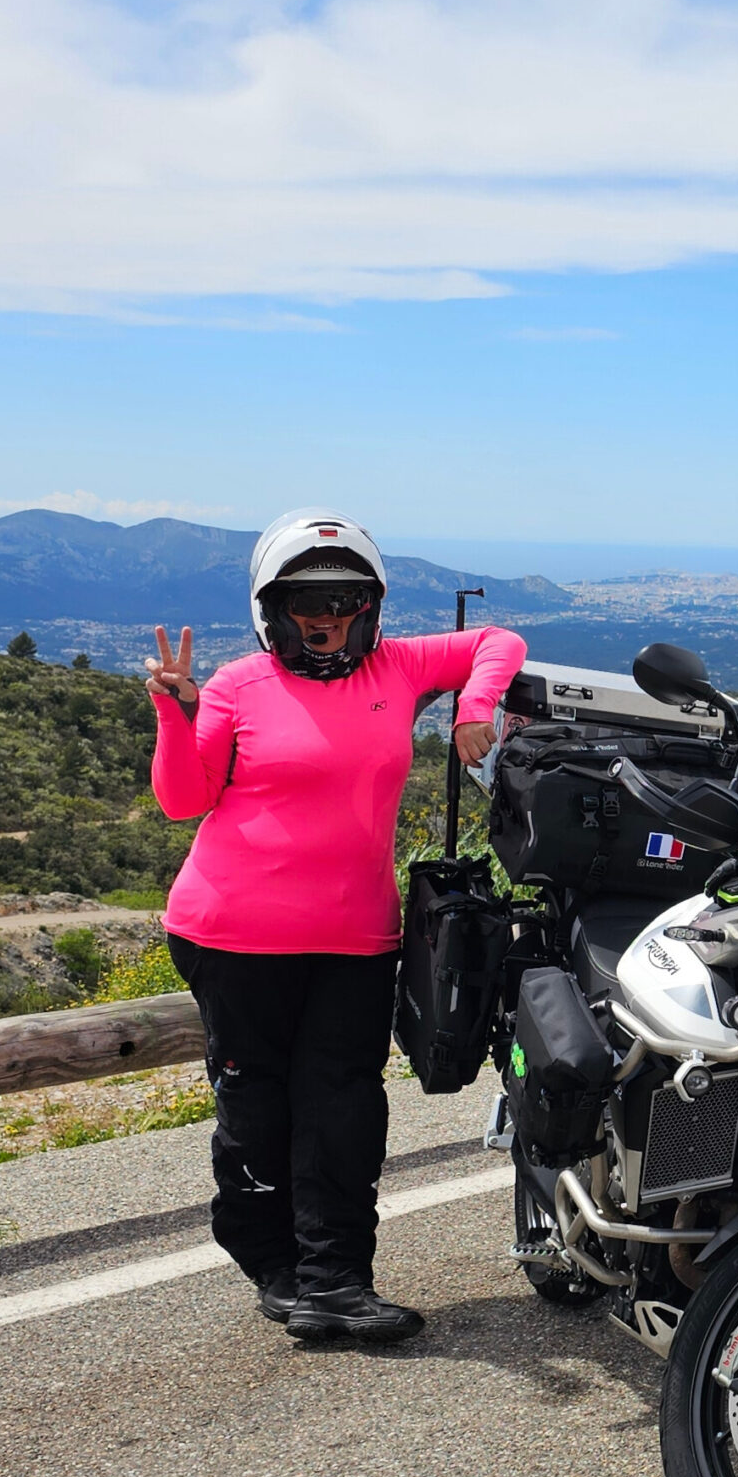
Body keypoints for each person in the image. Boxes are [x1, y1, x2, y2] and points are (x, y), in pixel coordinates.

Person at [146, 510, 524, 1343]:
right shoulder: (239, 686)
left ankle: (334, 1281)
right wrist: (178, 712)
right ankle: (274, 1265)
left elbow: (498, 640)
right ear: (272, 606)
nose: (329, 615)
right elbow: (181, 800)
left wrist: (476, 707)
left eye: (346, 598)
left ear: (372, 604)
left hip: (355, 935)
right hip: (231, 933)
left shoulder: (398, 666)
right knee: (258, 1106)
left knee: (345, 1111)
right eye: (308, 599)